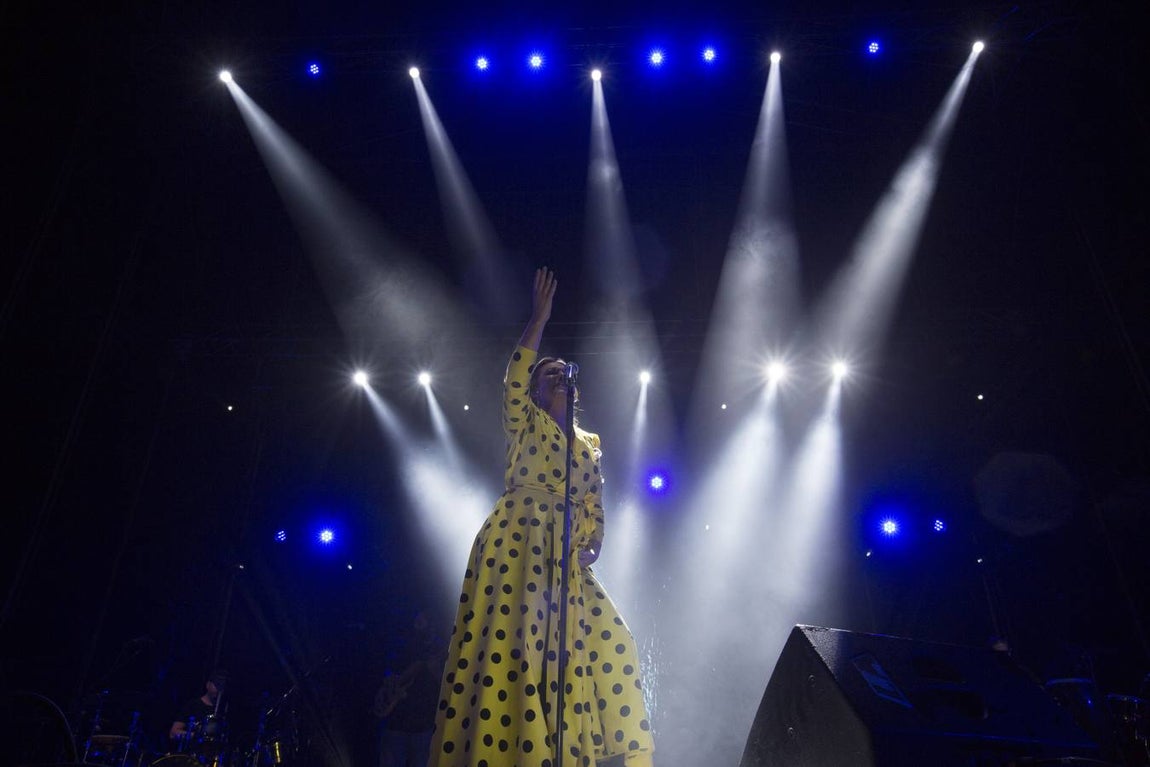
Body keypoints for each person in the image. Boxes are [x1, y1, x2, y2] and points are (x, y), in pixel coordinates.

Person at [427, 268, 654, 767]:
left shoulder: (589, 445)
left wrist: (594, 543)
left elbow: (595, 505)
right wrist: (538, 321)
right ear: (535, 390)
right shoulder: (525, 422)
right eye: (547, 373)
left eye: (562, 372)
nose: (558, 376)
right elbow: (512, 380)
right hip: (519, 542)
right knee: (518, 653)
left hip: (565, 558)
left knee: (612, 643)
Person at [374, 610, 447, 767]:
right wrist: (390, 685)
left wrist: (435, 671)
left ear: (431, 624)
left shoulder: (442, 648)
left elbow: (447, 687)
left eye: (420, 623)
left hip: (423, 725)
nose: (416, 626)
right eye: (415, 622)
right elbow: (388, 672)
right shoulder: (403, 645)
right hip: (396, 723)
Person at [169, 669, 228, 756]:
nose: (219, 689)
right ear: (208, 685)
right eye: (217, 685)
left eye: (222, 686)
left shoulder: (223, 711)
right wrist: (197, 736)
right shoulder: (193, 705)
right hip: (189, 755)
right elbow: (173, 733)